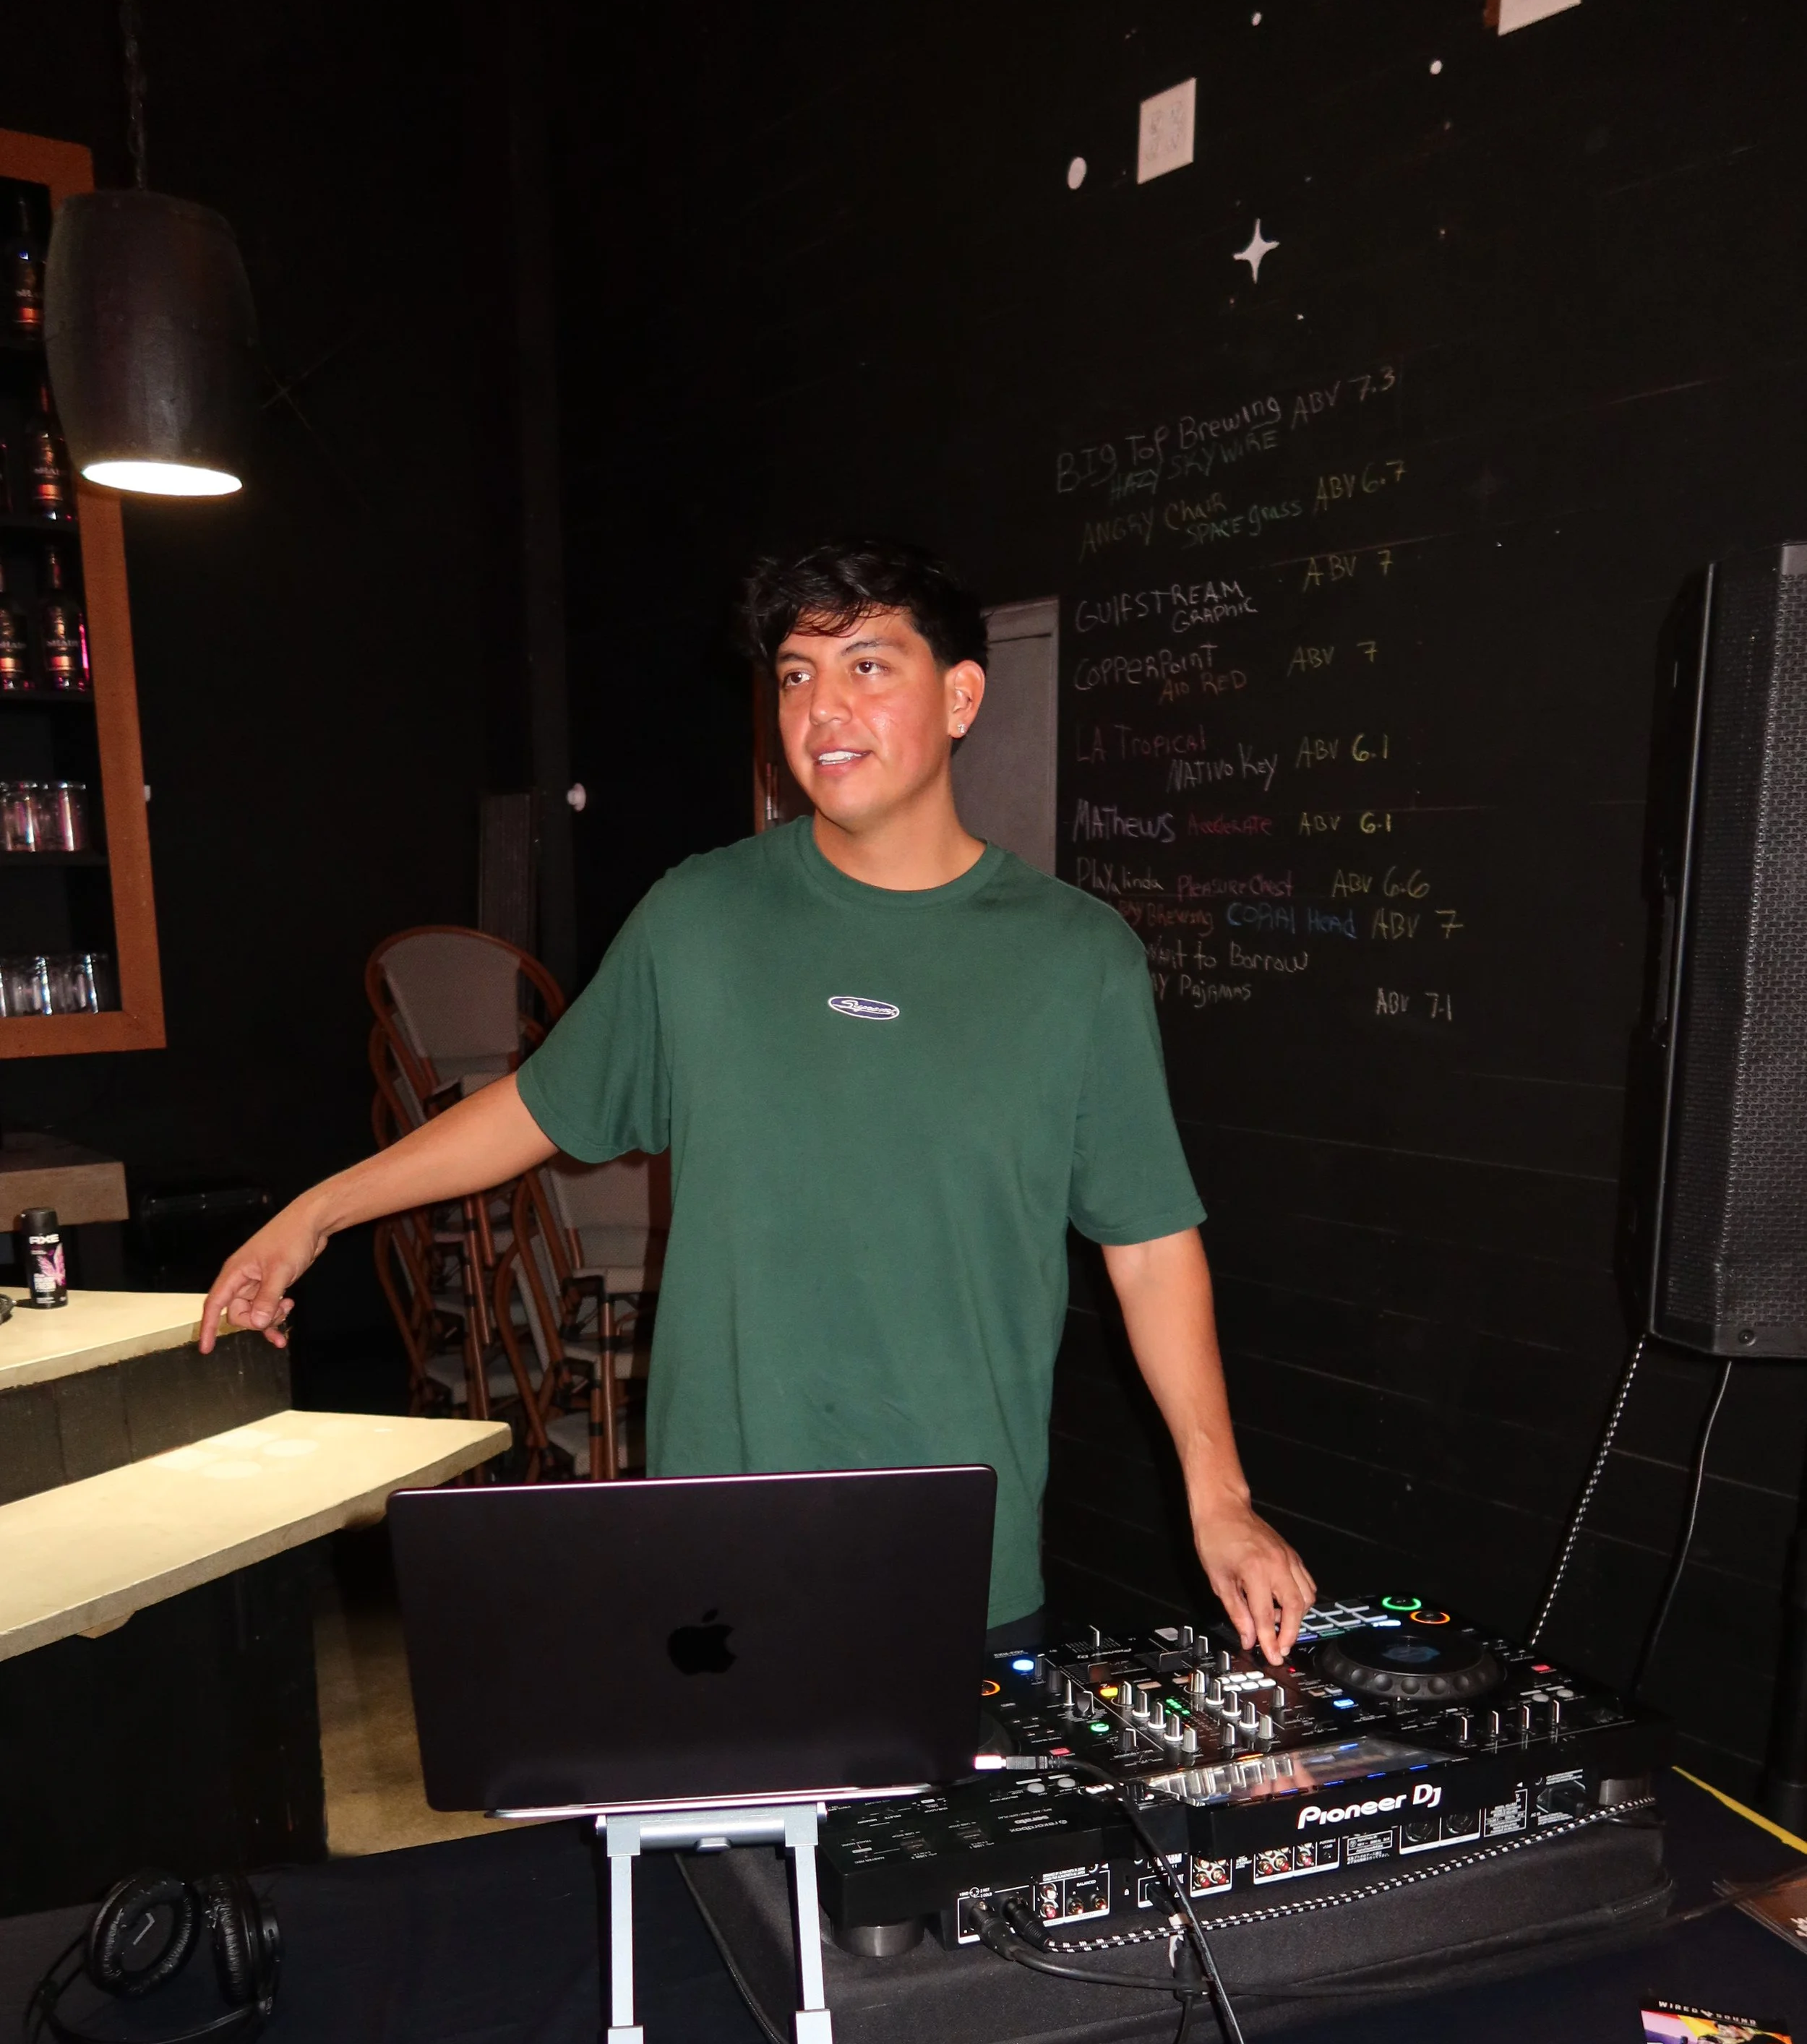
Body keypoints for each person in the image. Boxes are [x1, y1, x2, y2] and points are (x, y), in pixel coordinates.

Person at [201, 541, 1313, 1657]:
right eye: (794, 674)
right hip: (715, 1541)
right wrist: (318, 1212)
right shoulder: (700, 918)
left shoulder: (1079, 960)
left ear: (963, 694)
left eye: (867, 667)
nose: (823, 707)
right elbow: (538, 1108)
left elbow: (1152, 1244)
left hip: (951, 1551)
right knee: (708, 1840)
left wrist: (1217, 1496)